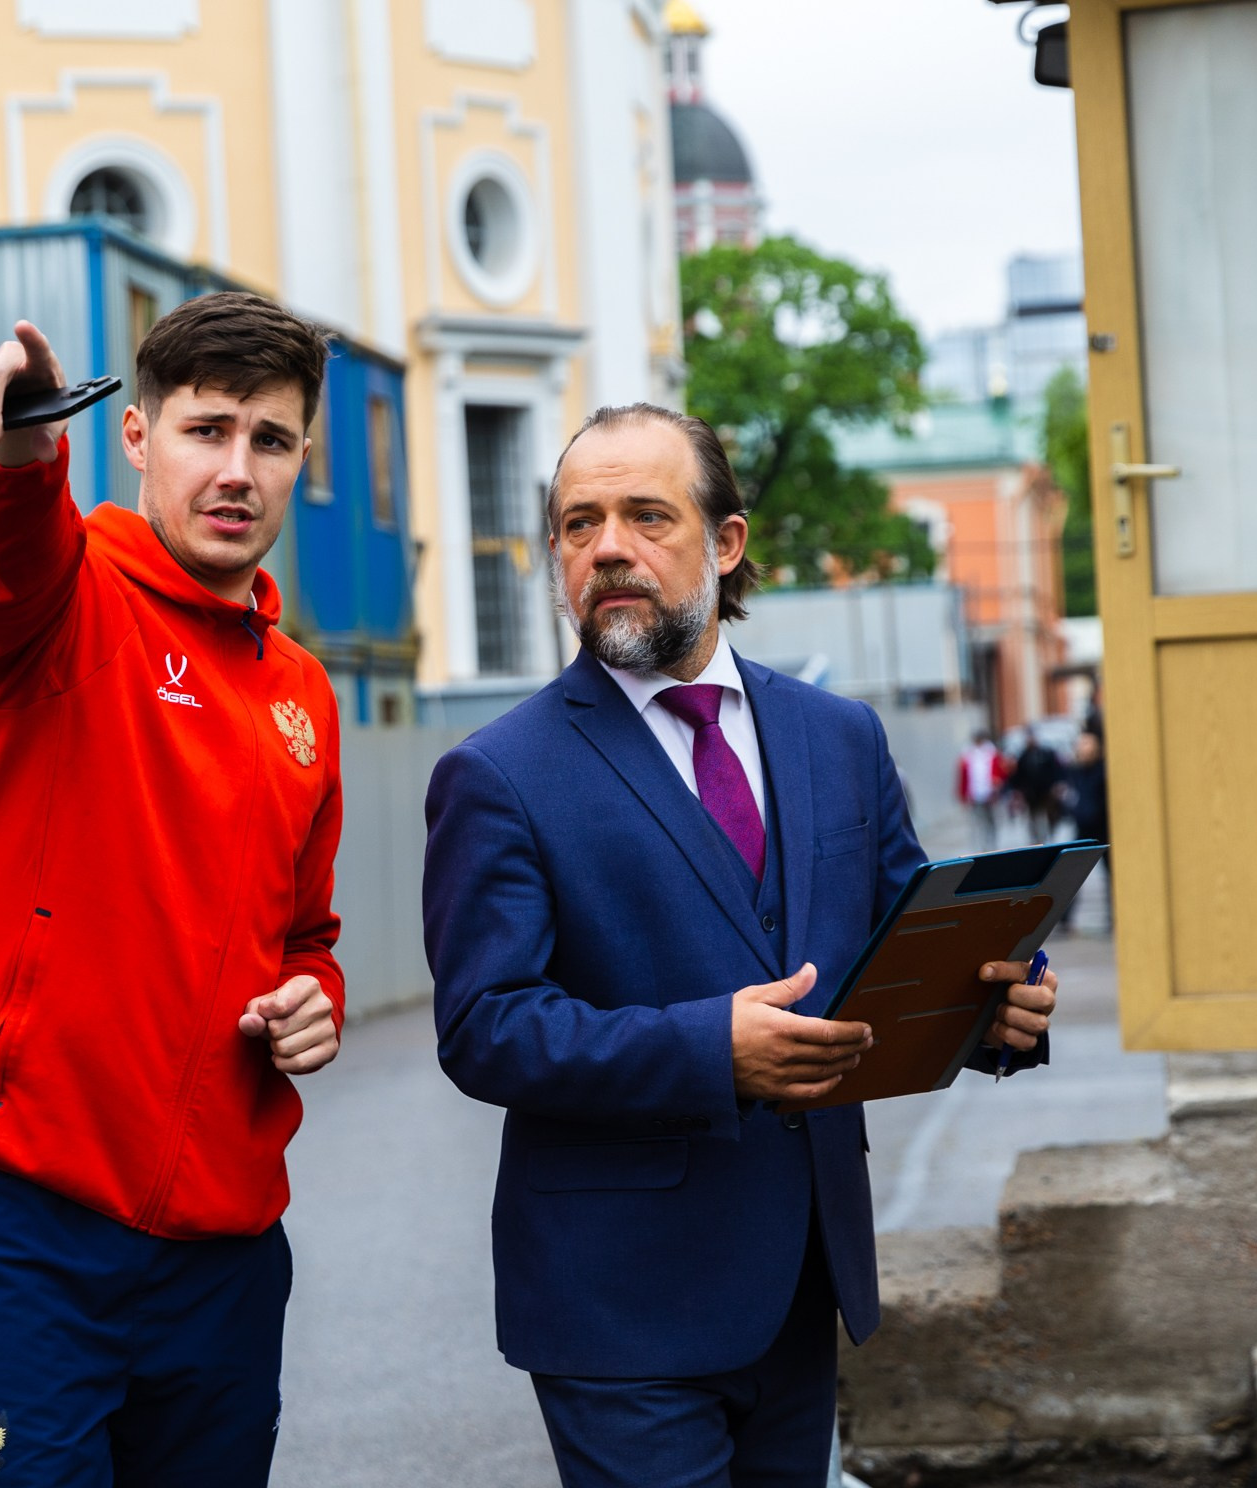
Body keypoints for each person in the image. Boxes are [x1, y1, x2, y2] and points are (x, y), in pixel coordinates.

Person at [423, 404, 1060, 1488]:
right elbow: (485, 1027)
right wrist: (707, 1049)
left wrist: (996, 1009)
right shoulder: (499, 773)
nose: (608, 546)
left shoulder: (839, 736)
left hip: (802, 1277)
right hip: (616, 1304)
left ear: (726, 543)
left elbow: (912, 941)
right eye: (579, 524)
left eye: (645, 515)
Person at [0, 293, 348, 1487]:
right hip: (15, 1227)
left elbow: (307, 933)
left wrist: (315, 996)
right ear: (139, 436)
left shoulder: (304, 694)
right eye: (206, 430)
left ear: (303, 456)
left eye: (271, 439)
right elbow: (4, 560)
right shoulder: (61, 599)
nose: (237, 468)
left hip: (223, 1254)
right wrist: (19, 441)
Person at [1007, 729, 1064, 845]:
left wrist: (1057, 785)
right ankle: (1037, 839)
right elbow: (1017, 776)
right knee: (1034, 818)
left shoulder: (1046, 753)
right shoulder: (1023, 756)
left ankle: (1050, 836)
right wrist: (1018, 792)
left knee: (1051, 815)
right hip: (1031, 794)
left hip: (1047, 792)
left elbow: (1056, 770)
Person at [956, 727, 1009, 849]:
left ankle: (991, 844)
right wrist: (963, 795)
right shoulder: (967, 755)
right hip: (975, 794)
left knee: (991, 820)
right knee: (978, 821)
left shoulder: (993, 753)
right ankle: (981, 846)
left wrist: (997, 785)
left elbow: (1002, 772)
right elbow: (963, 776)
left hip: (990, 794)